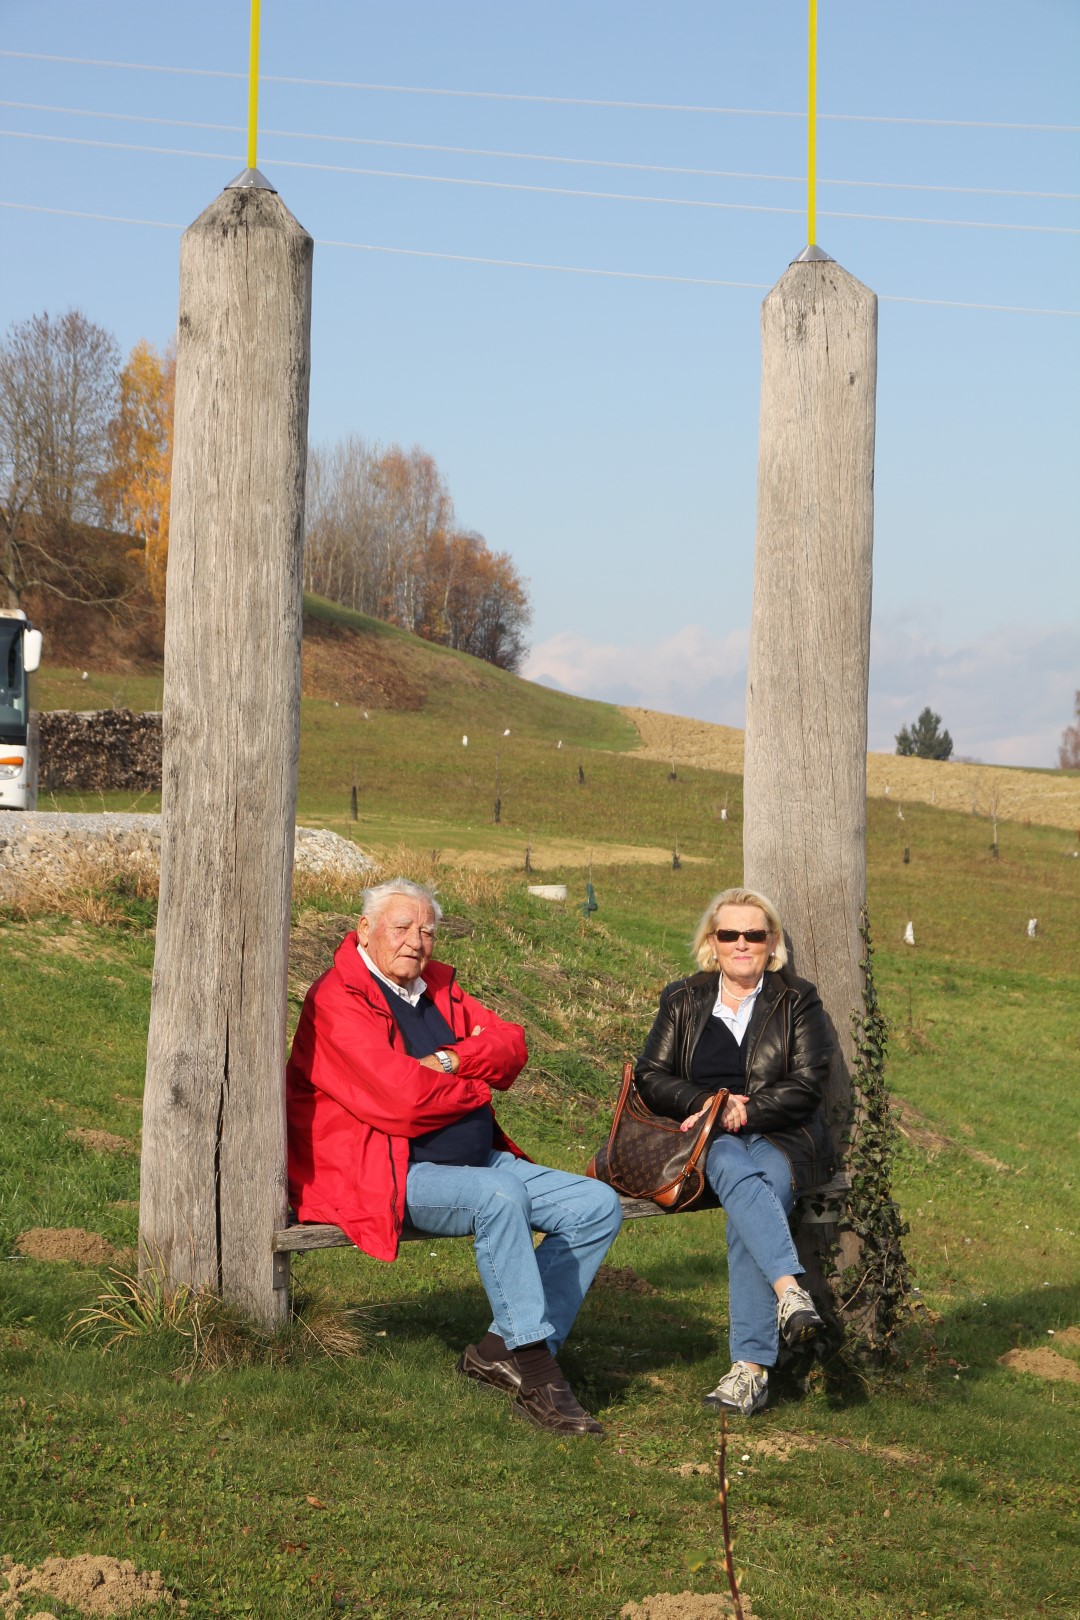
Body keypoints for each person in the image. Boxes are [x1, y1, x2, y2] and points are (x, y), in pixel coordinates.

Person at [287, 877, 622, 1436]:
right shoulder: (337, 999)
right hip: (386, 1172)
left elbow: (511, 1044)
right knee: (500, 1197)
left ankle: (498, 1349)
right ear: (364, 930)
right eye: (402, 927)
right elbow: (398, 1099)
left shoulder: (437, 986)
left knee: (596, 1204)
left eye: (427, 931)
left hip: (476, 1161)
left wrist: (446, 1061)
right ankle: (539, 1373)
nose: (416, 941)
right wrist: (476, 1086)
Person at [634, 886, 834, 1415]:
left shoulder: (797, 999)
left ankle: (748, 1371)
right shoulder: (684, 998)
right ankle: (789, 1294)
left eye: (754, 933)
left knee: (755, 1197)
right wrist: (706, 1104)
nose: (742, 943)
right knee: (727, 1162)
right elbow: (650, 1076)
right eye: (730, 934)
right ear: (712, 942)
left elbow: (809, 1082)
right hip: (707, 1136)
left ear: (771, 943)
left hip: (781, 1135)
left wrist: (748, 1110)